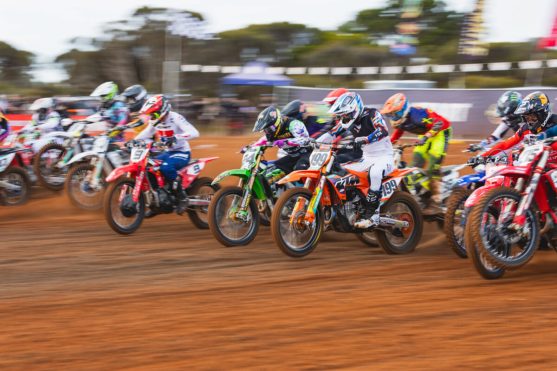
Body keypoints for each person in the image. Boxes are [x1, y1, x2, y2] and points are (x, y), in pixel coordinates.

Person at [324, 92, 394, 229]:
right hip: (366, 158)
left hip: (384, 156)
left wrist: (366, 139)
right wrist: (310, 141)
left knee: (375, 172)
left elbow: (383, 130)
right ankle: (353, 208)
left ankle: (373, 215)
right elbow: (331, 133)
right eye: (342, 115)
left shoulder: (372, 113)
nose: (343, 118)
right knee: (342, 173)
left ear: (354, 109)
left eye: (345, 114)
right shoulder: (346, 121)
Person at [381, 93, 451, 214]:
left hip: (440, 133)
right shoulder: (402, 120)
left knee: (432, 168)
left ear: (403, 109)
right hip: (425, 135)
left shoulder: (418, 116)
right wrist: (386, 145)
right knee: (415, 166)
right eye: (391, 115)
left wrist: (426, 136)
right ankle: (421, 195)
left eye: (395, 114)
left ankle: (437, 201)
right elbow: (397, 133)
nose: (393, 117)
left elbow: (440, 123)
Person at [135, 95, 199, 194]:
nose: (152, 117)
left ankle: (181, 195)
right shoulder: (155, 121)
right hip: (167, 152)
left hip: (182, 152)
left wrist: (176, 137)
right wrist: (134, 140)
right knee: (149, 167)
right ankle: (159, 194)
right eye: (150, 115)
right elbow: (147, 133)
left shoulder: (176, 117)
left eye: (154, 114)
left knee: (166, 167)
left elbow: (195, 133)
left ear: (163, 110)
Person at [480, 91, 557, 157]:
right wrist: (483, 156)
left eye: (532, 116)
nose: (529, 121)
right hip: (533, 161)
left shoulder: (554, 122)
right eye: (526, 118)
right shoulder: (525, 128)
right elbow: (505, 144)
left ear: (542, 113)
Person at [251, 106, 310, 181]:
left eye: (268, 129)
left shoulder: (294, 124)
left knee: (299, 169)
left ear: (277, 123)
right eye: (265, 130)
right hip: (292, 156)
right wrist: (250, 147)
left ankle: (303, 191)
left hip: (308, 154)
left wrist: (285, 141)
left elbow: (305, 140)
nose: (267, 131)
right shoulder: (272, 133)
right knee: (274, 169)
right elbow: (261, 141)